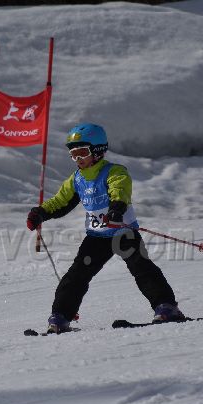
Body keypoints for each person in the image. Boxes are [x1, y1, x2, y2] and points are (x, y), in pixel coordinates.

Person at [26, 123, 185, 334]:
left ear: (98, 150)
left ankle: (166, 307)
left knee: (141, 268)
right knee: (76, 275)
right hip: (96, 238)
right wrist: (40, 213)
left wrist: (116, 206)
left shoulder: (114, 171)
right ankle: (60, 318)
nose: (78, 159)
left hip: (123, 233)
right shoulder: (77, 179)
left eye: (82, 152)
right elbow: (60, 201)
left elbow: (120, 188)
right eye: (73, 154)